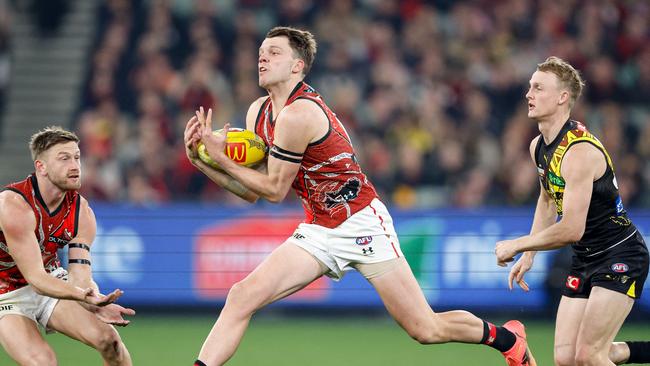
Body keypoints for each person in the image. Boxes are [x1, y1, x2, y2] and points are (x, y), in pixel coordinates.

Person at [184, 26, 535, 366]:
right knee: (241, 296)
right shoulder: (258, 112)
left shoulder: (299, 113)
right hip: (320, 228)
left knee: (426, 328)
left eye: (273, 53)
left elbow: (274, 190)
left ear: (297, 66)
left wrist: (219, 158)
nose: (262, 59)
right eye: (261, 54)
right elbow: (251, 192)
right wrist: (202, 164)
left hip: (362, 221)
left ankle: (507, 339)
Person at [495, 56, 650, 366]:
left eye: (539, 88)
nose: (529, 94)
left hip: (619, 255)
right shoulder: (538, 146)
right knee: (567, 359)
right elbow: (547, 201)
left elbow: (572, 229)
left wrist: (518, 243)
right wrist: (529, 256)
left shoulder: (579, 151)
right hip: (585, 258)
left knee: (590, 357)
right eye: (530, 87)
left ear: (563, 97)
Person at [0, 126, 134, 365]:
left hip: (50, 279)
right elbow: (36, 280)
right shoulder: (14, 205)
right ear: (41, 167)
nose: (75, 165)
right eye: (64, 158)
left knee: (109, 340)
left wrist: (94, 301)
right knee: (43, 362)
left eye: (77, 157)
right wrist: (84, 297)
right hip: (6, 292)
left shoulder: (81, 211)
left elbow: (80, 275)